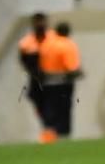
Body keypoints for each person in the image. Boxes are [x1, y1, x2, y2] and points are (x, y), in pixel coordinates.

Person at [38, 22, 82, 139]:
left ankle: (49, 135)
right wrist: (79, 73)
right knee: (64, 110)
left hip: (47, 82)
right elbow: (71, 67)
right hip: (63, 83)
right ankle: (63, 135)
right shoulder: (67, 44)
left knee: (50, 109)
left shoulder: (46, 43)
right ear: (67, 32)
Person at [17, 12, 56, 143]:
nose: (40, 24)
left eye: (42, 21)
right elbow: (23, 61)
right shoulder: (26, 42)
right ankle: (47, 129)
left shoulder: (53, 39)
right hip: (36, 79)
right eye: (37, 22)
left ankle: (51, 131)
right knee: (39, 105)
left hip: (52, 78)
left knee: (52, 105)